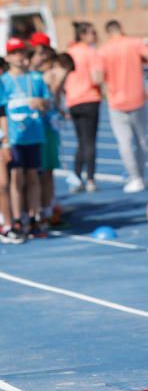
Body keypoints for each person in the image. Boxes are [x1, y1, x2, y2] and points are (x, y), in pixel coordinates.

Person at [98, 20, 148, 193]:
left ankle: (135, 178)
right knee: (141, 140)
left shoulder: (104, 50)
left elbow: (98, 77)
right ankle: (141, 176)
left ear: (108, 32)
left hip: (116, 100)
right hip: (137, 97)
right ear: (122, 29)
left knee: (124, 141)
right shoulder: (135, 43)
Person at [0, 37, 51, 240]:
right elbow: (2, 110)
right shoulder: (4, 81)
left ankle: (35, 217)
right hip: (15, 136)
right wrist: (6, 139)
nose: (19, 56)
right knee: (15, 179)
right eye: (14, 53)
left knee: (33, 177)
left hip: (34, 134)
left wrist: (42, 103)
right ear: (8, 57)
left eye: (21, 52)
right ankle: (17, 218)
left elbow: (48, 103)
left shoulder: (36, 78)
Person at [31, 46, 74, 228]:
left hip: (50, 128)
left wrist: (61, 111)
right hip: (39, 129)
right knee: (38, 173)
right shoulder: (40, 77)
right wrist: (60, 77)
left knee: (47, 171)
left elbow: (54, 101)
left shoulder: (47, 74)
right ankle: (39, 210)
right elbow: (49, 96)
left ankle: (48, 209)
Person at [65, 22, 104, 193]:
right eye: (92, 33)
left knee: (80, 141)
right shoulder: (91, 52)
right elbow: (97, 78)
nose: (95, 36)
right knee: (89, 142)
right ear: (82, 35)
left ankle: (76, 177)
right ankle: (90, 179)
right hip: (89, 99)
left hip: (73, 101)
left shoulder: (69, 53)